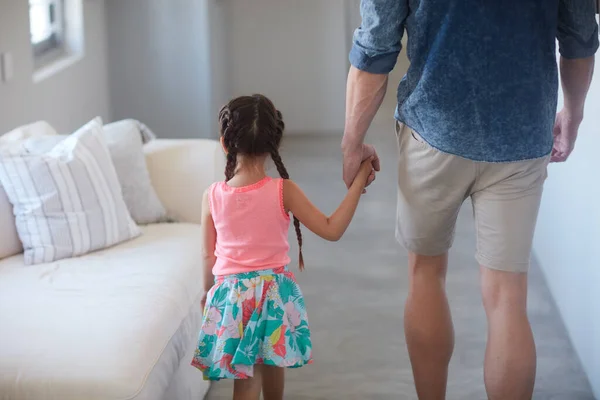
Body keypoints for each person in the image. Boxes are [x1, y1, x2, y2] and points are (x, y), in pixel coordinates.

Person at [342, 1, 598, 399]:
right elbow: (580, 38)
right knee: (507, 300)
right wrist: (574, 114)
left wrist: (351, 141)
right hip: (523, 135)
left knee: (425, 274)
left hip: (433, 130)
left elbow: (376, 47)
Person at [191, 94, 375, 400]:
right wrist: (359, 181)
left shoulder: (211, 196)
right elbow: (332, 229)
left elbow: (207, 254)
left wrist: (207, 291)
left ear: (225, 143)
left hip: (231, 298)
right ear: (273, 144)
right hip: (273, 297)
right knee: (274, 367)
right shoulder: (282, 191)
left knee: (246, 380)